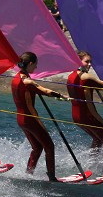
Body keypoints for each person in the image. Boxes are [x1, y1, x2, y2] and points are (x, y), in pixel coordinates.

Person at [67, 51, 103, 174]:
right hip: (86, 115)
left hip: (76, 115)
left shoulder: (71, 76)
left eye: (90, 62)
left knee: (97, 138)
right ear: (78, 61)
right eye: (86, 61)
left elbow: (86, 95)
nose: (89, 65)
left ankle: (91, 164)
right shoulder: (86, 77)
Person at [12, 52, 66, 181]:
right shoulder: (27, 81)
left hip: (21, 119)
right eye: (35, 65)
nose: (36, 68)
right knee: (49, 146)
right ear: (30, 63)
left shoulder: (16, 77)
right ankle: (52, 178)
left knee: (37, 147)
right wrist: (61, 96)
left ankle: (28, 174)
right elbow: (46, 91)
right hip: (30, 119)